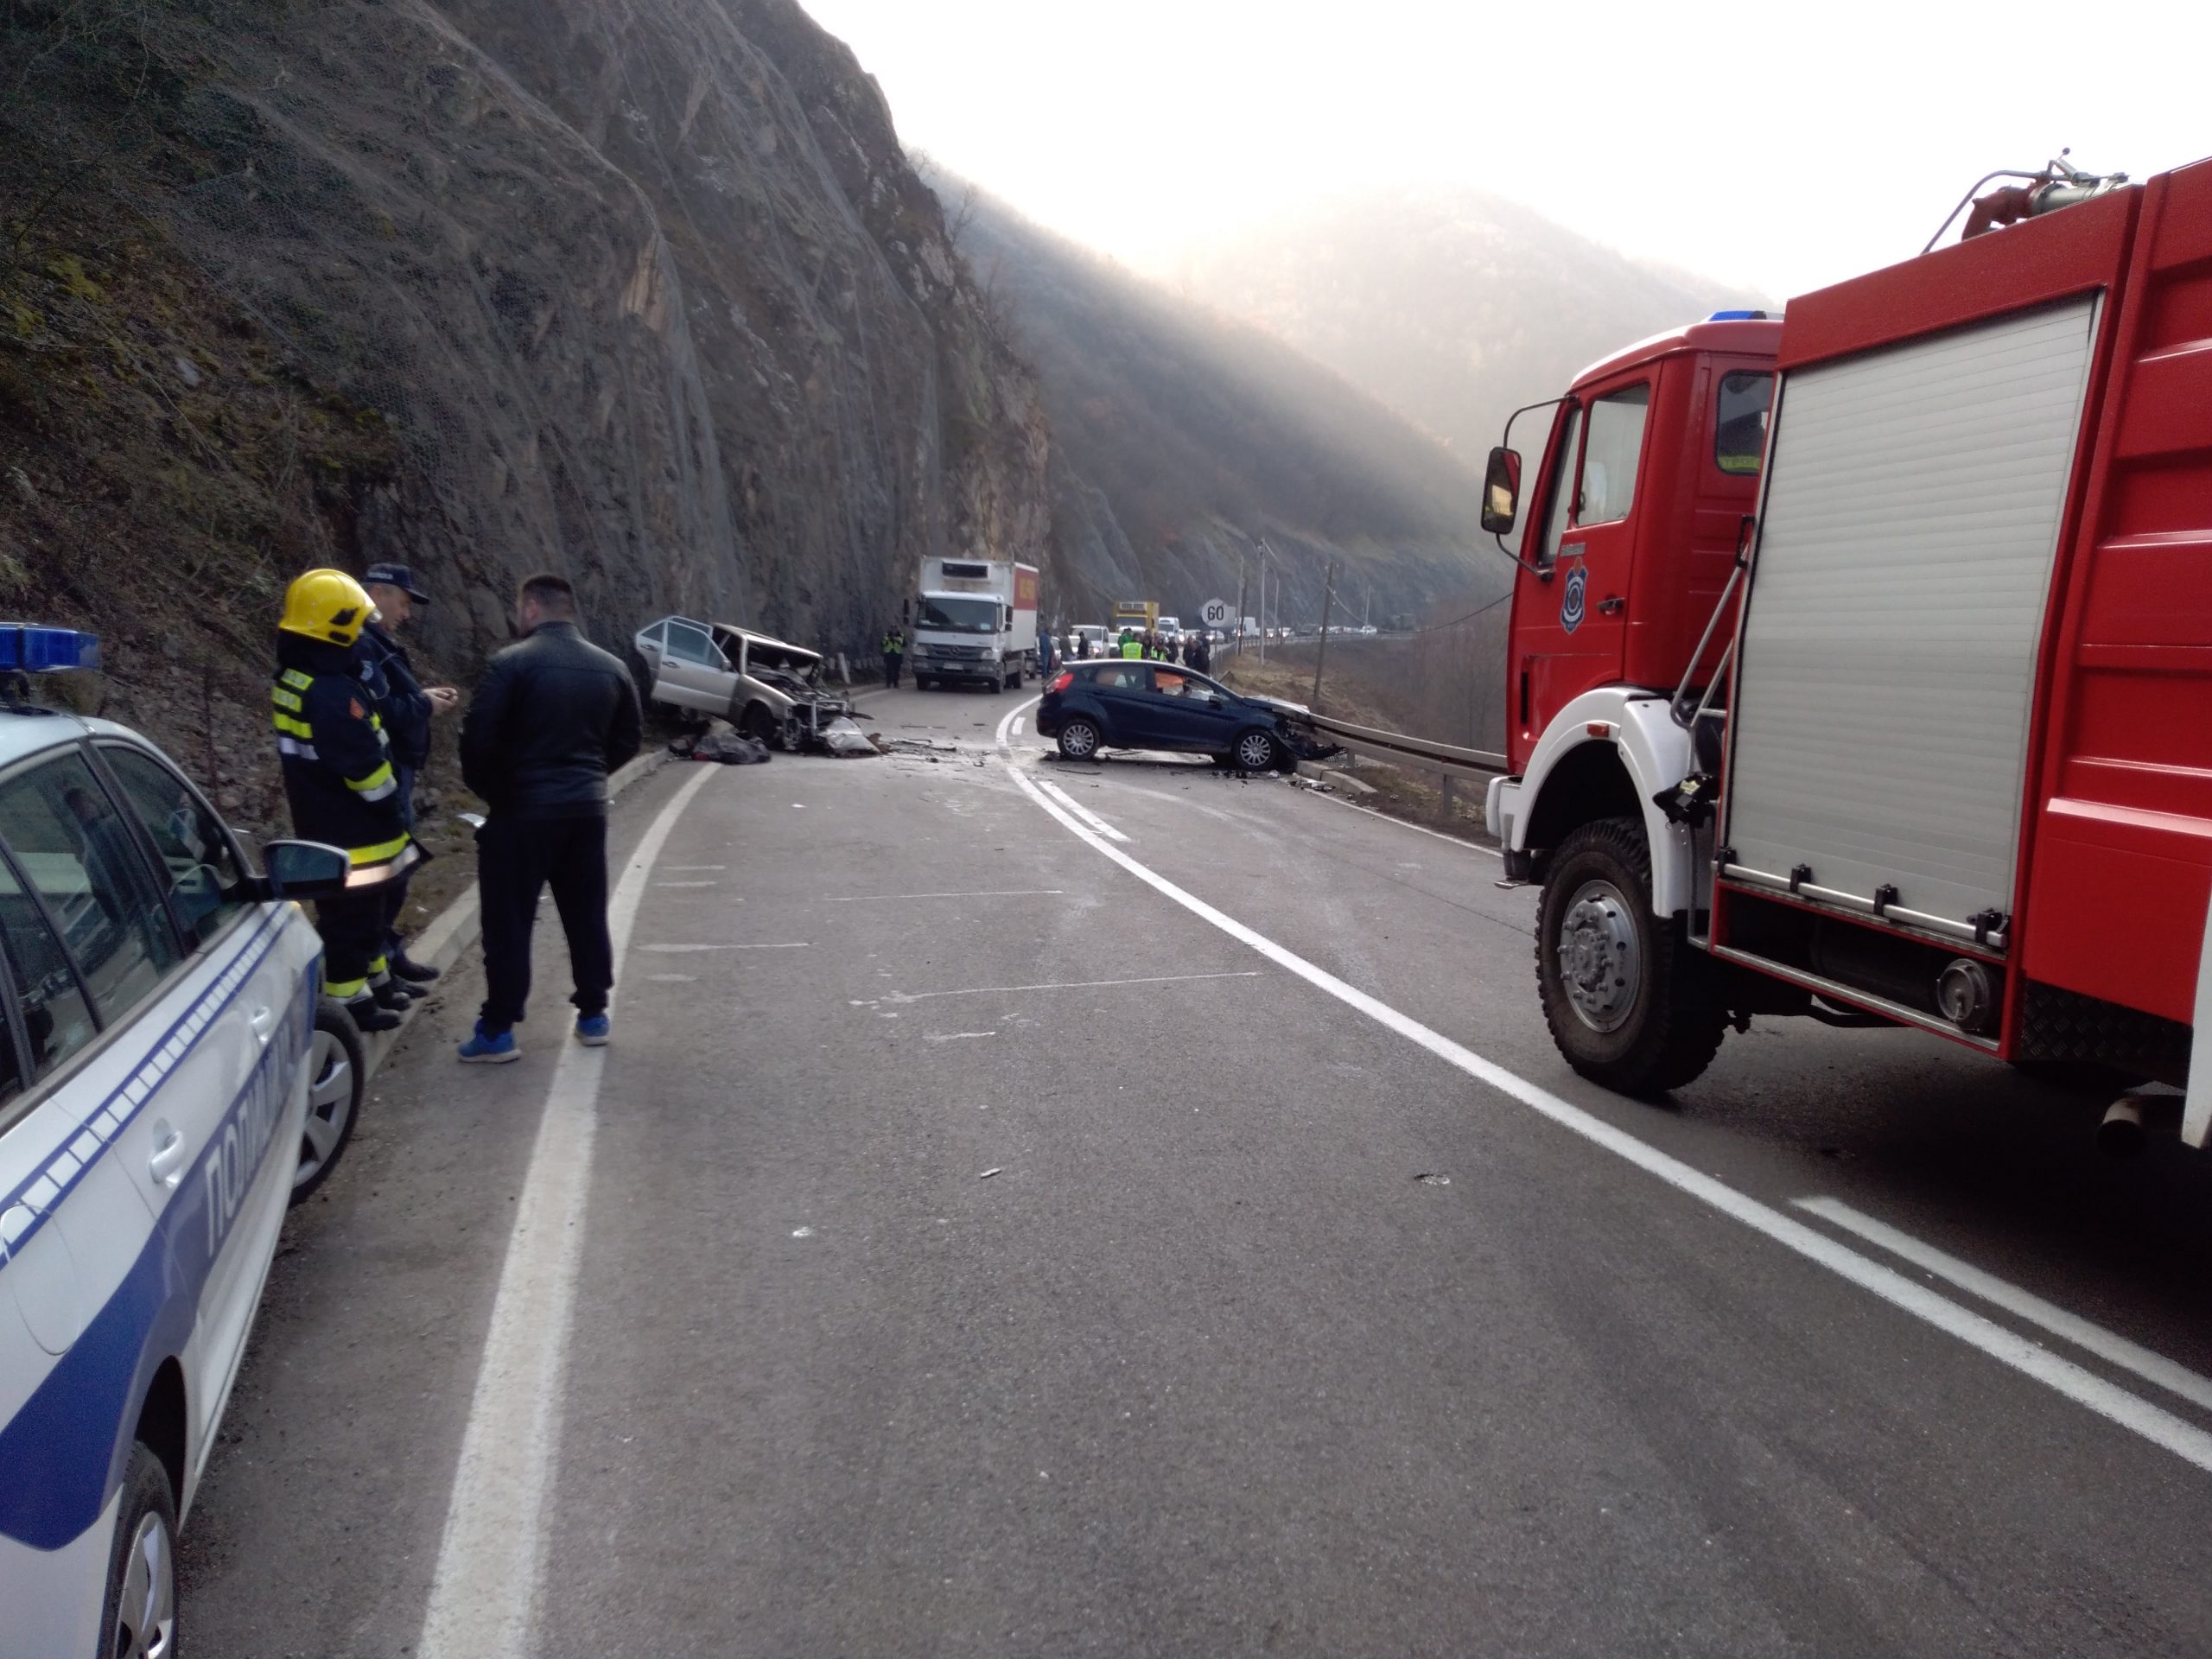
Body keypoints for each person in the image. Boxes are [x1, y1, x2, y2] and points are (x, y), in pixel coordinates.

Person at [457, 573, 643, 1062]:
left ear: (532, 608)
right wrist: (590, 778)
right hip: (585, 811)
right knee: (585, 913)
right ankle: (593, 1015)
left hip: (521, 812)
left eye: (519, 608)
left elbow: (477, 741)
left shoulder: (509, 664)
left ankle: (498, 1030)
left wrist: (499, 793)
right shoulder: (612, 667)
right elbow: (628, 740)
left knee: (509, 921)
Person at [271, 568, 416, 1034]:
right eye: (353, 626)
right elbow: (363, 766)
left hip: (326, 824)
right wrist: (390, 801)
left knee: (364, 918)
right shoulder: (332, 693)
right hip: (357, 833)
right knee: (353, 923)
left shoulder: (296, 678)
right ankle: (350, 1005)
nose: (359, 636)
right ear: (334, 629)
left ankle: (374, 981)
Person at [356, 563, 460, 985]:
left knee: (395, 870)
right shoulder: (363, 645)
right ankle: (378, 960)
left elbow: (390, 699)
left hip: (398, 771)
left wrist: (421, 697)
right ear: (378, 595)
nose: (407, 613)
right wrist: (424, 706)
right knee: (388, 872)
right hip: (385, 772)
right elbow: (377, 709)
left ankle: (386, 954)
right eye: (403, 601)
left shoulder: (376, 643)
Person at [881, 625, 905, 689]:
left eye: (895, 628)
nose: (894, 630)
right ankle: (888, 683)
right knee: (889, 670)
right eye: (893, 628)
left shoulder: (901, 636)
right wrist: (887, 638)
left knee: (897, 671)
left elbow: (904, 644)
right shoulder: (887, 635)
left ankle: (896, 683)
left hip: (898, 656)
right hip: (889, 655)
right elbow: (882, 643)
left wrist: (897, 639)